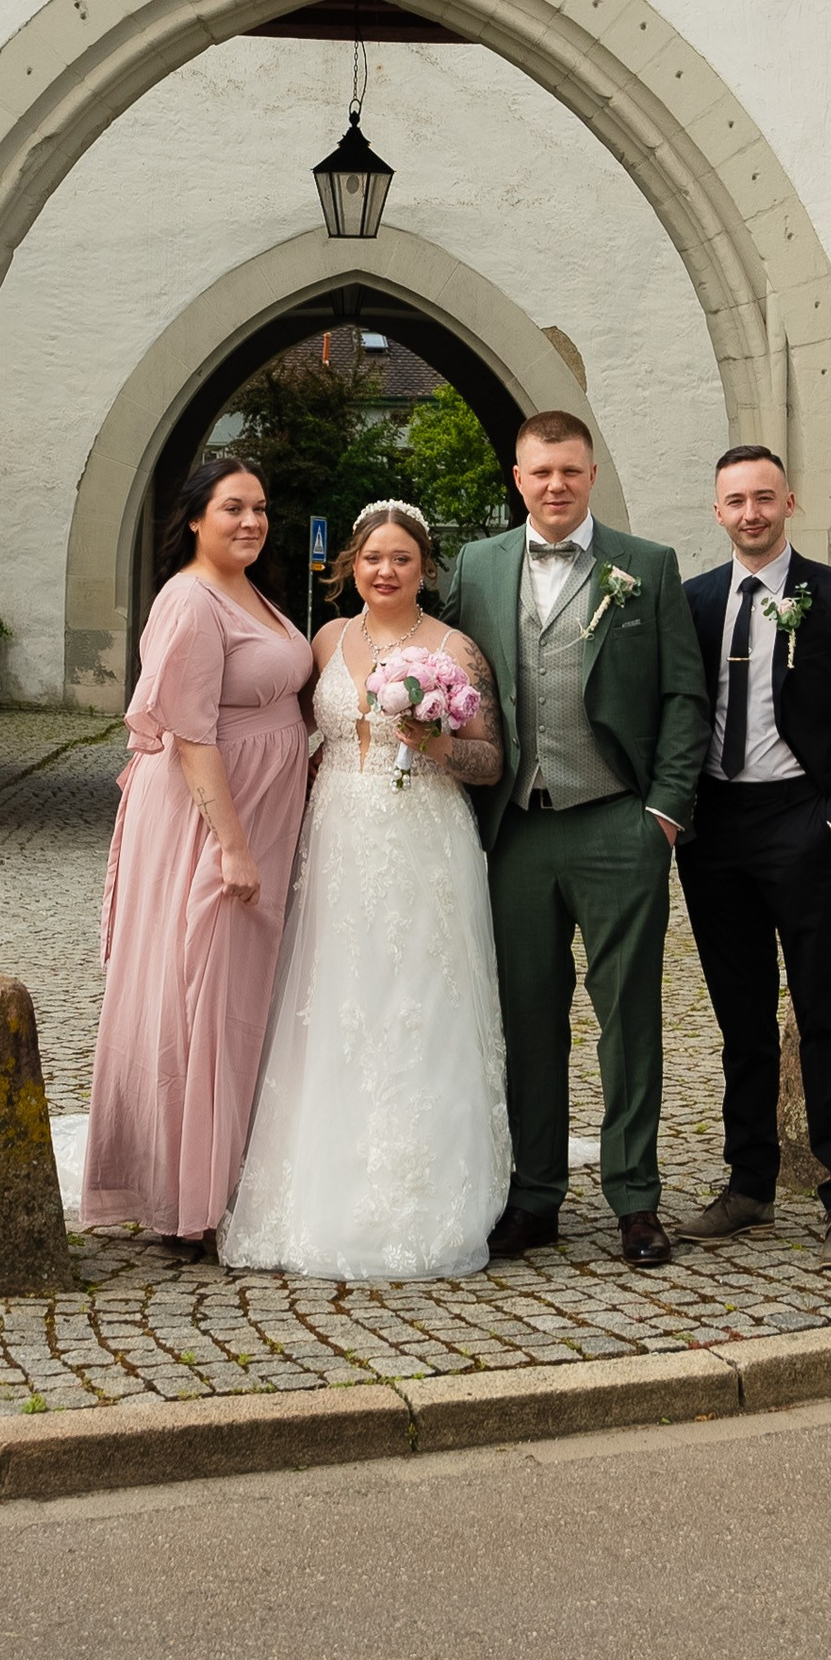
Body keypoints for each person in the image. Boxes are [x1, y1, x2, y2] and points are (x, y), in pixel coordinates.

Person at [438, 409, 709, 1267]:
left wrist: (662, 812)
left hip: (615, 823)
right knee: (529, 1020)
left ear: (591, 475)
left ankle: (635, 1198)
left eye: (570, 471)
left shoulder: (647, 567)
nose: (555, 486)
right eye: (538, 472)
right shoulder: (476, 567)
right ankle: (536, 1196)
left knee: (629, 1018)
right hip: (516, 828)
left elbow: (683, 698)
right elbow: (453, 673)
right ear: (516, 479)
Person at [220, 501, 508, 1278]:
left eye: (403, 559)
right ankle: (319, 1177)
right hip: (337, 833)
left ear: (426, 570)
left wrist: (438, 742)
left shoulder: (457, 649)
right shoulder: (325, 641)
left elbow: (491, 763)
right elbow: (293, 737)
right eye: (373, 557)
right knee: (334, 997)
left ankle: (423, 1182)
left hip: (424, 839)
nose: (386, 570)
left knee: (415, 1000)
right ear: (352, 564)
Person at [678, 444, 831, 1266]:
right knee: (741, 1020)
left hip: (801, 823)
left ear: (789, 503)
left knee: (821, 1016)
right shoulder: (694, 602)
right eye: (735, 500)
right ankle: (749, 1188)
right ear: (717, 511)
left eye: (764, 498)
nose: (750, 512)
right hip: (714, 832)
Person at [80, 456, 314, 1257]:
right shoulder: (189, 599)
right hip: (207, 819)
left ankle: (224, 1172)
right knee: (199, 990)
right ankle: (185, 1198)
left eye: (259, 508)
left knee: (239, 992)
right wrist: (233, 846)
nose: (249, 521)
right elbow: (190, 733)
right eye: (231, 508)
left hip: (258, 810)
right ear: (194, 518)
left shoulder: (252, 593)